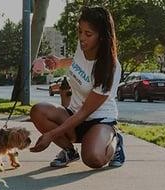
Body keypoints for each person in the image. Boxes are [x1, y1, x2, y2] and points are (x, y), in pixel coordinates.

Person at [29, 6, 125, 169]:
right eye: (80, 31)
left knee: (93, 159)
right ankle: (69, 151)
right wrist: (59, 62)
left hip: (98, 120)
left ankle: (115, 140)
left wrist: (50, 136)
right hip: (73, 113)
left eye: (88, 34)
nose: (82, 38)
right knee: (38, 111)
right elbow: (77, 61)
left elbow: (84, 113)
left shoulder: (111, 68)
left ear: (102, 37)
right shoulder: (82, 48)